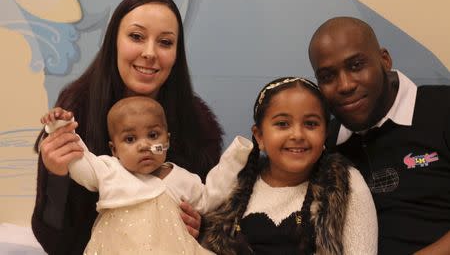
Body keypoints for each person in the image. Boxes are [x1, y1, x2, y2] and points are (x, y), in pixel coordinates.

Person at [32, 0, 223, 255]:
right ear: (114, 42)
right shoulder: (76, 111)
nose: (149, 53)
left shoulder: (197, 125)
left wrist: (202, 229)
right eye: (136, 36)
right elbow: (54, 242)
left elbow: (218, 216)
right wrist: (56, 176)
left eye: (165, 42)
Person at [308, 16, 450, 254]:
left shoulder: (443, 107)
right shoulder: (324, 143)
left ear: (384, 60)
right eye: (328, 77)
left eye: (356, 66)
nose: (345, 85)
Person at [41, 97, 252, 254]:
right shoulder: (110, 171)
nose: (144, 146)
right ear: (114, 150)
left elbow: (211, 197)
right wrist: (61, 128)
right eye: (130, 139)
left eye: (153, 135)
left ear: (167, 140)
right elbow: (80, 162)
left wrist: (235, 158)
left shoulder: (182, 179)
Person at [201, 77, 377, 254]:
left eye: (310, 124)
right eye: (282, 124)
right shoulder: (234, 184)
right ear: (260, 136)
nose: (297, 135)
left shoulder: (345, 183)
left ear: (325, 133)